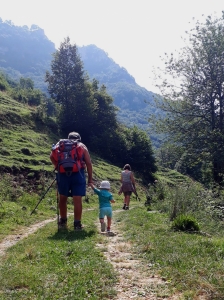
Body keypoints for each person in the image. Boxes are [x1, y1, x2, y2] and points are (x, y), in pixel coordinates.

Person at [50, 132, 93, 230]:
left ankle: (63, 222)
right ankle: (77, 224)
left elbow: (51, 156)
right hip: (78, 174)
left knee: (63, 198)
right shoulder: (81, 146)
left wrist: (57, 166)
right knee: (77, 199)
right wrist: (90, 178)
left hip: (63, 174)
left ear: (68, 138)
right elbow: (89, 163)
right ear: (79, 138)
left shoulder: (60, 145)